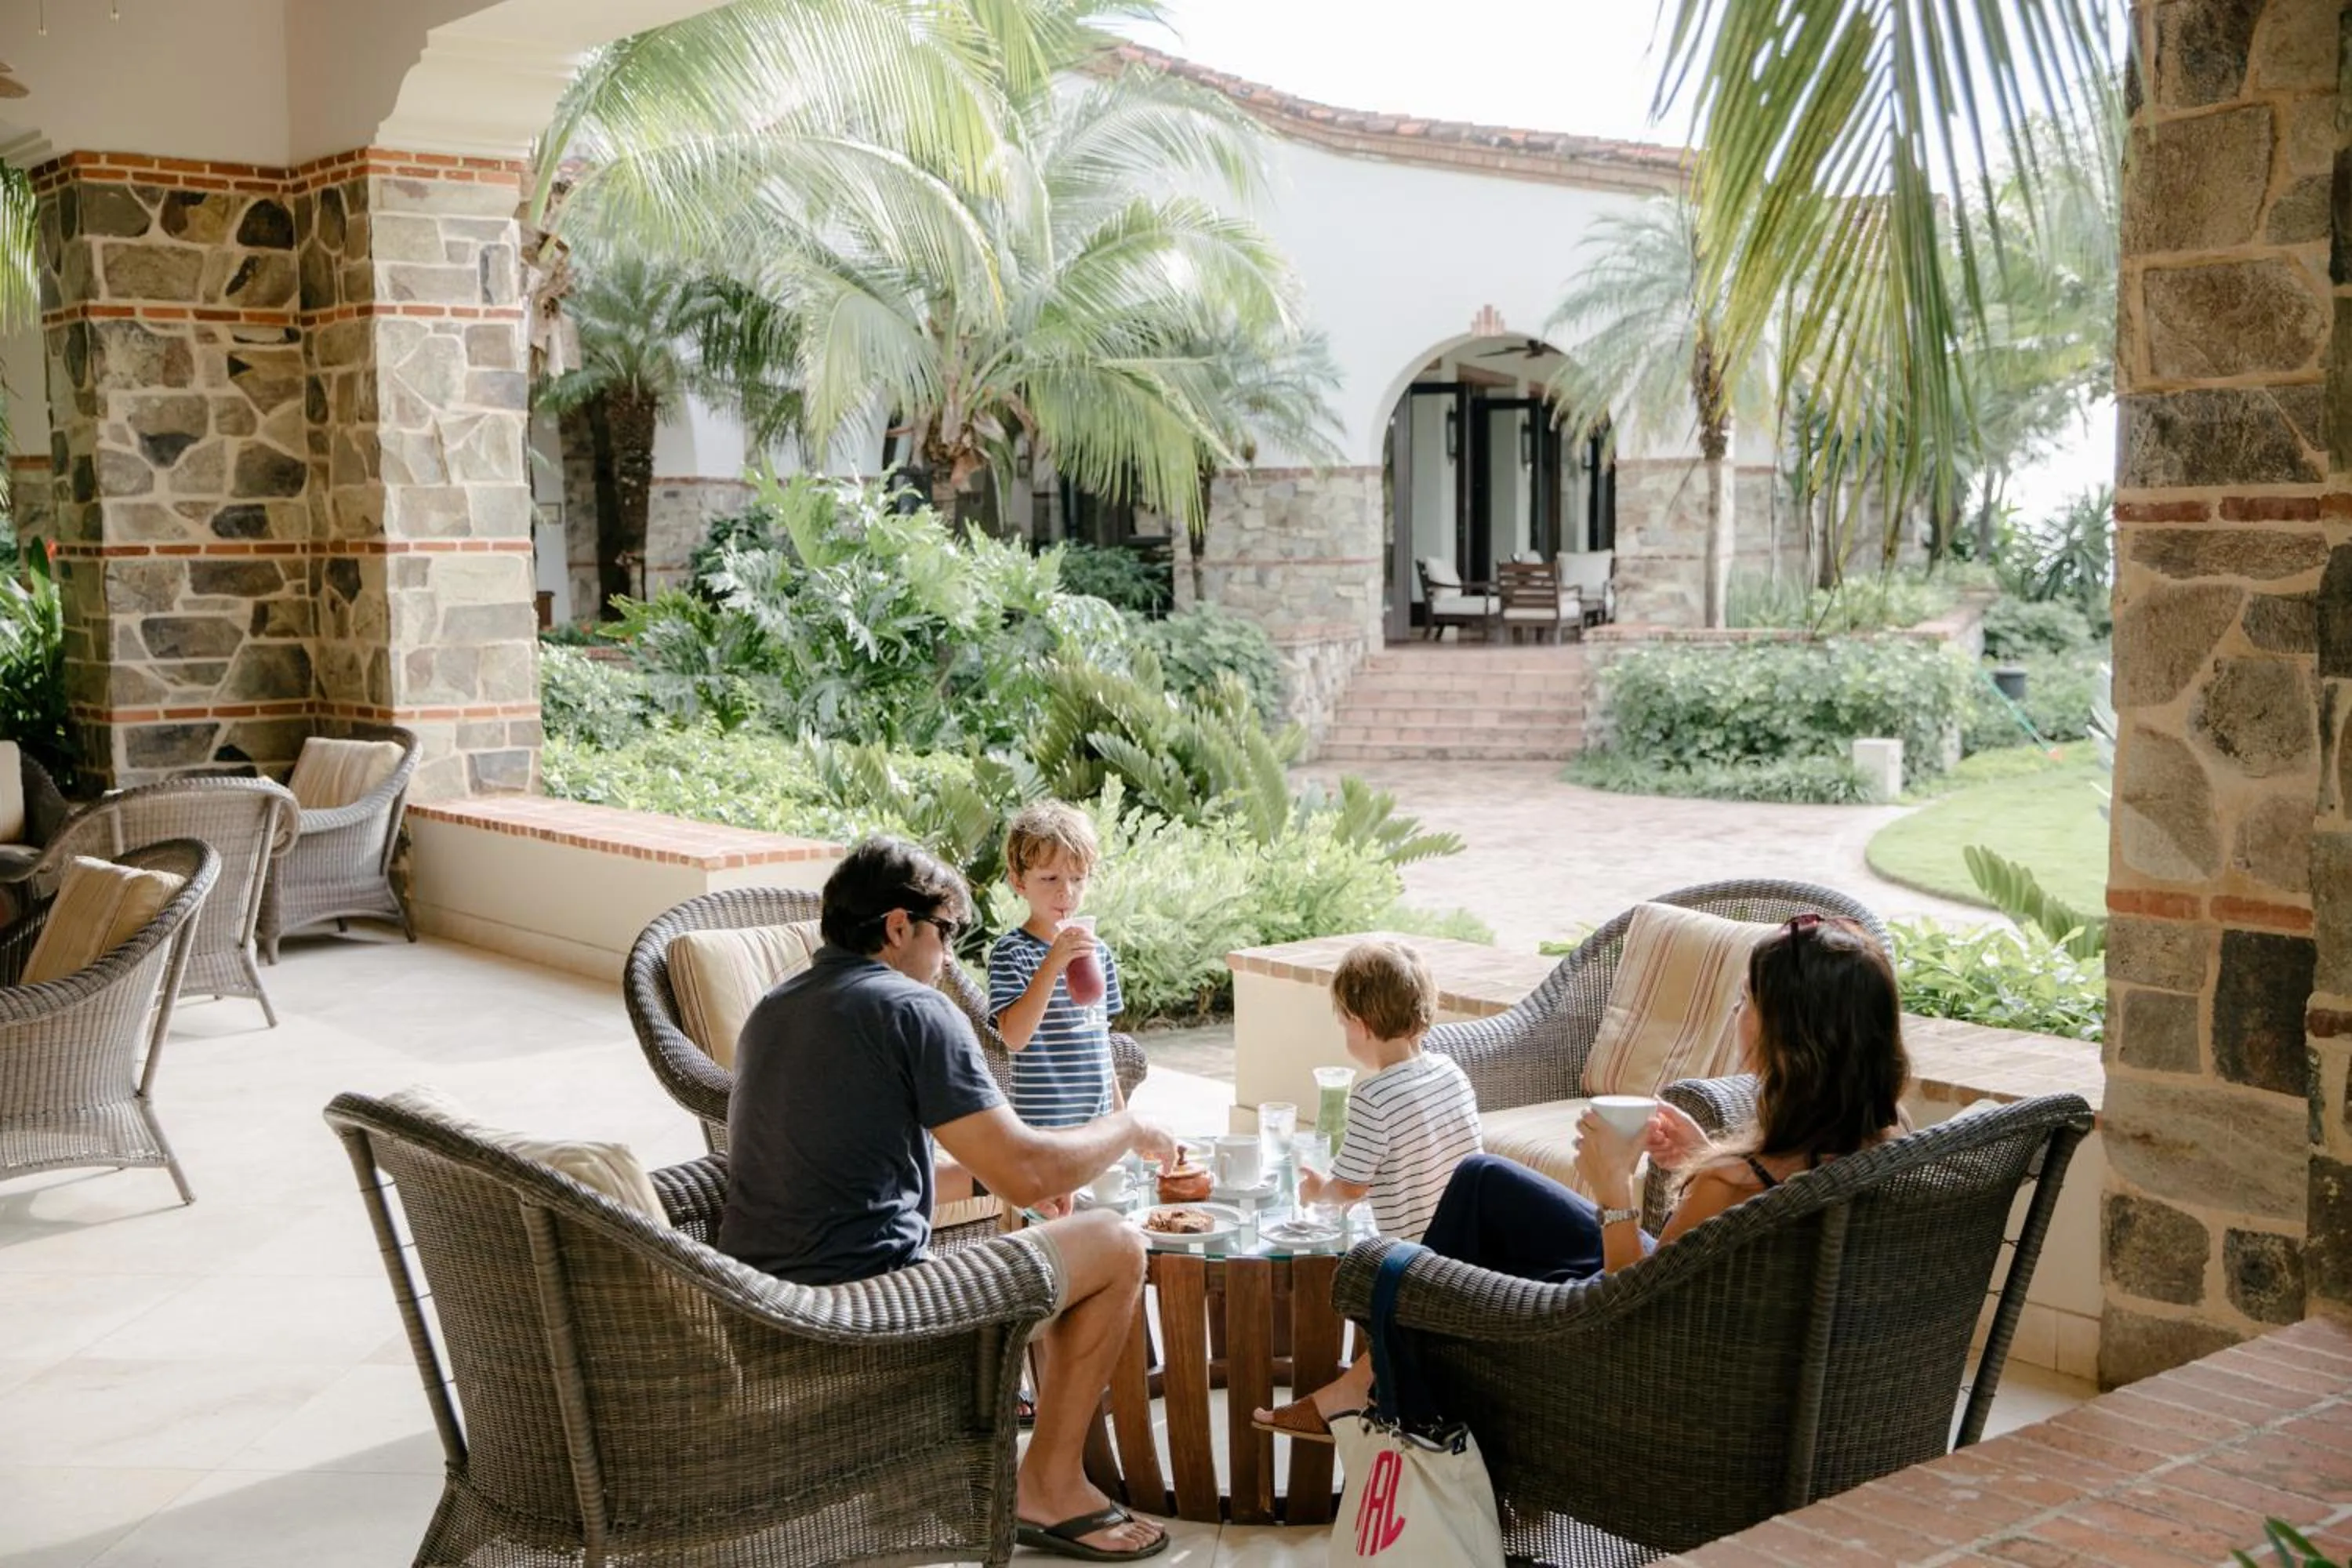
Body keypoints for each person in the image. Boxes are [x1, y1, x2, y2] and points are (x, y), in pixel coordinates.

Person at [1254, 912, 1910, 1439]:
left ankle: (1373, 1385)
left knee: (1460, 1247)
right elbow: (1733, 1239)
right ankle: (1372, 1378)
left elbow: (1630, 1313)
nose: (1738, 1015)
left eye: (1746, 1001)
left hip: (1647, 1363)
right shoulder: (1886, 1138)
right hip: (1744, 1348)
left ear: (1789, 1038)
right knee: (1482, 1181)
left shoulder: (1734, 1186)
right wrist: (1701, 1154)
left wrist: (1613, 1188)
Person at [719, 835, 1176, 1562]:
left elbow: (856, 1172)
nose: (950, 956)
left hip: (760, 1303)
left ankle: (1038, 1468)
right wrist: (1128, 1127)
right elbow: (1029, 1169)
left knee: (1068, 1233)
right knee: (1115, 1243)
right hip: (872, 1309)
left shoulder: (774, 1008)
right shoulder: (912, 1009)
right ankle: (1049, 1485)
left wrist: (1006, 1181)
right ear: (899, 927)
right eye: (947, 933)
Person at [1297, 939, 1480, 1242]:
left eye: (1344, 1024)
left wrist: (1319, 1193)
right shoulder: (1451, 1073)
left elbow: (1349, 1188)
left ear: (1362, 1025)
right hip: (1466, 1243)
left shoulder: (1373, 1099)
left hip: (1417, 1258)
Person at [989, 801, 1125, 1131]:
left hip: (1097, 1123)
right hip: (1042, 1127)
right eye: (1049, 878)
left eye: (1078, 878)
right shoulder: (1012, 953)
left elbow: (1100, 1041)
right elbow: (1015, 1038)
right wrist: (1052, 964)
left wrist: (1122, 1121)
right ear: (1019, 883)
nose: (1066, 892)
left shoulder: (1097, 951)